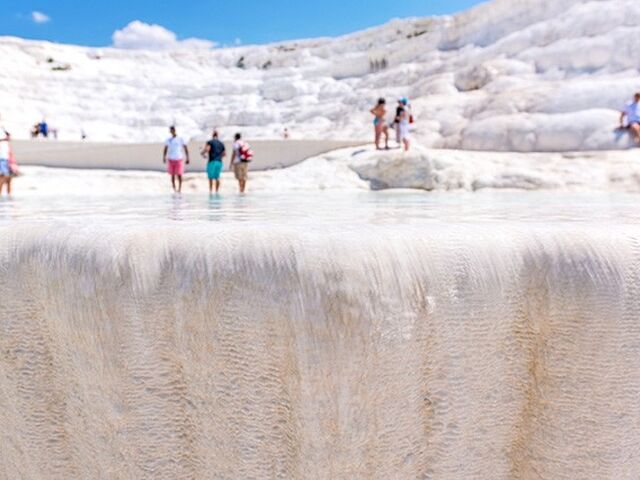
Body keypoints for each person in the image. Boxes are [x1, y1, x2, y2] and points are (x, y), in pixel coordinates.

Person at [163, 126, 189, 193]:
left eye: (173, 130)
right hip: (171, 159)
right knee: (172, 175)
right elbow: (165, 148)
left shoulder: (180, 139)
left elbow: (185, 147)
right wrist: (164, 157)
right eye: (171, 130)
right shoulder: (168, 140)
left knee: (179, 174)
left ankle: (180, 189)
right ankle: (174, 189)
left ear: (175, 130)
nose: (172, 131)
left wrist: (187, 157)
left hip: (179, 158)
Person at [201, 129, 226, 194]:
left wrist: (202, 153)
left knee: (211, 177)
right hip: (219, 162)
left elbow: (207, 149)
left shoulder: (210, 142)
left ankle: (211, 191)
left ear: (212, 135)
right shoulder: (221, 143)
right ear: (217, 135)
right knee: (217, 177)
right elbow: (224, 154)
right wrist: (219, 156)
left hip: (212, 161)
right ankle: (217, 191)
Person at [0, 128, 12, 196]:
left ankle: (9, 195)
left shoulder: (3, 128)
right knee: (4, 176)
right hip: (2, 157)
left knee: (8, 177)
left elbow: (9, 136)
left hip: (6, 156)